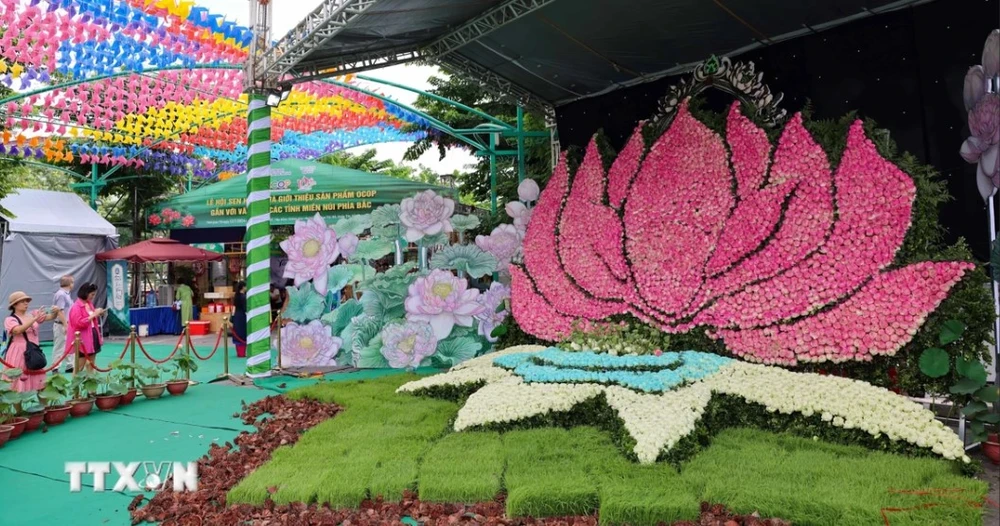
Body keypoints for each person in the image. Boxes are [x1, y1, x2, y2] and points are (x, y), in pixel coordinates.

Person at [4, 291, 60, 392]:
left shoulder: (33, 314)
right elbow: (17, 330)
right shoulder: (10, 319)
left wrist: (55, 311)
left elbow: (50, 317)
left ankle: (43, 407)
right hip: (18, 352)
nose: (26, 303)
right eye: (23, 301)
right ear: (14, 305)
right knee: (17, 383)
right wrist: (34, 319)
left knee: (41, 381)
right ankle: (19, 408)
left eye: (27, 301)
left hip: (34, 351)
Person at [66, 283, 105, 367]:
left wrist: (98, 313)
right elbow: (78, 323)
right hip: (83, 338)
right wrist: (94, 314)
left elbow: (91, 317)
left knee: (91, 363)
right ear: (85, 293)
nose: (93, 296)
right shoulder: (76, 307)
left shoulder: (89, 304)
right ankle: (76, 380)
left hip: (93, 334)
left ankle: (90, 379)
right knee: (80, 365)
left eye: (94, 294)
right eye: (92, 294)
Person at [51, 275, 75, 374]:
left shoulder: (66, 294)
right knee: (60, 345)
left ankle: (70, 364)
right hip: (61, 324)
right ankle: (55, 366)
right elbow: (60, 311)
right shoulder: (61, 294)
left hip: (65, 323)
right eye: (72, 282)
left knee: (68, 344)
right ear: (70, 284)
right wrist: (66, 325)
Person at [232, 281, 247, 358]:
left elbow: (234, 307)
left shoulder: (236, 296)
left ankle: (239, 352)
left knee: (237, 333)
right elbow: (245, 308)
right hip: (242, 316)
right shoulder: (243, 297)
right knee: (242, 333)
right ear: (243, 287)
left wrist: (232, 317)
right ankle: (242, 352)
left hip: (236, 316)